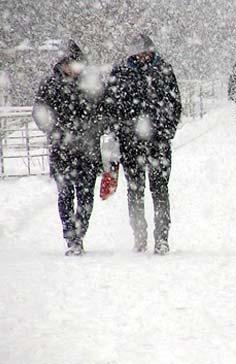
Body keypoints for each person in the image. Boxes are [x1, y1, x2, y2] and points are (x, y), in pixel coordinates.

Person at [100, 34, 182, 255]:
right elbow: (110, 106)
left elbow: (174, 103)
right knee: (135, 190)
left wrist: (166, 130)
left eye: (146, 51)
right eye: (140, 52)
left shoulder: (163, 69)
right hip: (131, 143)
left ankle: (161, 237)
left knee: (159, 189)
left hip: (158, 141)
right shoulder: (121, 73)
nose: (144, 56)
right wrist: (120, 131)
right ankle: (139, 234)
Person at [33, 40, 102, 256]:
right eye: (68, 63)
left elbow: (103, 112)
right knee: (65, 195)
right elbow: (39, 112)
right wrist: (55, 130)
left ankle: (79, 234)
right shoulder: (50, 85)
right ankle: (71, 237)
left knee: (85, 196)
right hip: (62, 149)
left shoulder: (91, 85)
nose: (71, 68)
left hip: (87, 149)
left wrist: (93, 130)